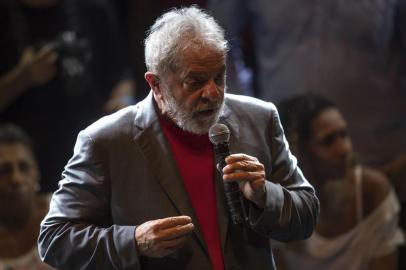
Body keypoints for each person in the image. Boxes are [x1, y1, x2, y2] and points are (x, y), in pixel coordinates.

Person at [37, 6, 319, 270]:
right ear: (155, 84)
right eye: (195, 82)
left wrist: (264, 195)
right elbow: (54, 239)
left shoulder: (260, 119)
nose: (212, 93)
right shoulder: (106, 142)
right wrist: (134, 240)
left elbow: (306, 214)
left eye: (219, 77)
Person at [0, 0, 136, 192]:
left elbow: (121, 74)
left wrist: (123, 104)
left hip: (90, 157)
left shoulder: (94, 7)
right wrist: (23, 76)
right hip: (22, 170)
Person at [274, 94, 404, 270]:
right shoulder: (279, 203)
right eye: (328, 141)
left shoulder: (371, 192)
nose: (344, 149)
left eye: (344, 134)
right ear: (300, 153)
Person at [0, 124, 54, 270]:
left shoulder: (66, 211)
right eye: (4, 170)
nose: (16, 179)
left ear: (36, 173)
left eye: (24, 167)